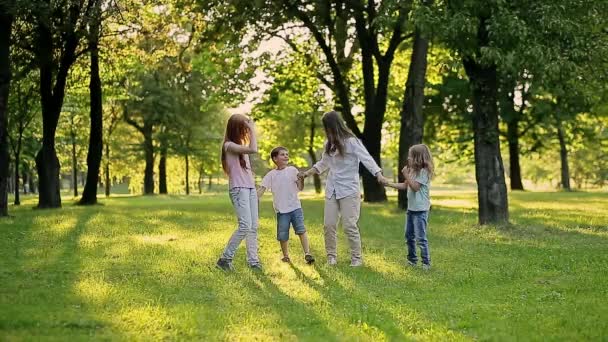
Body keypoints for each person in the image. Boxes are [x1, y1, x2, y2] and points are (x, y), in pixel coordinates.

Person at [299, 111, 389, 267]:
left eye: (327, 127)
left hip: (349, 189)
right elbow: (323, 164)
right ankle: (331, 257)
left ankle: (356, 258)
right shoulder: (329, 144)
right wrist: (307, 173)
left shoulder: (352, 142)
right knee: (328, 225)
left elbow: (366, 158)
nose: (326, 130)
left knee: (349, 225)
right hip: (332, 189)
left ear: (333, 125)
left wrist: (378, 174)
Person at [216, 114, 262, 271]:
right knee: (245, 225)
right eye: (243, 128)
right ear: (237, 128)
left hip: (249, 189)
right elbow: (253, 149)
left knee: (253, 226)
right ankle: (225, 259)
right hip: (238, 189)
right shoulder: (228, 145)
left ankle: (253, 261)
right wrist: (252, 129)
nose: (246, 131)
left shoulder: (241, 145)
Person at [257, 146, 315, 264]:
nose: (286, 156)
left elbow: (300, 188)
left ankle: (307, 253)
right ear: (275, 158)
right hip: (282, 211)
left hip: (295, 207)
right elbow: (262, 189)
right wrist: (253, 199)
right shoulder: (271, 175)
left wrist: (302, 179)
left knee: (301, 230)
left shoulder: (292, 170)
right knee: (283, 234)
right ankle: (286, 256)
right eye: (282, 154)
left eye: (287, 154)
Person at [384, 144, 434, 270]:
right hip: (411, 210)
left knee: (420, 238)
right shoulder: (412, 171)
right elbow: (405, 186)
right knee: (408, 236)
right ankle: (412, 260)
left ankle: (426, 263)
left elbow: (415, 188)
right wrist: (388, 184)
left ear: (418, 158)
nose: (408, 158)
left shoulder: (424, 172)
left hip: (421, 210)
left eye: (410, 156)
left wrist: (406, 174)